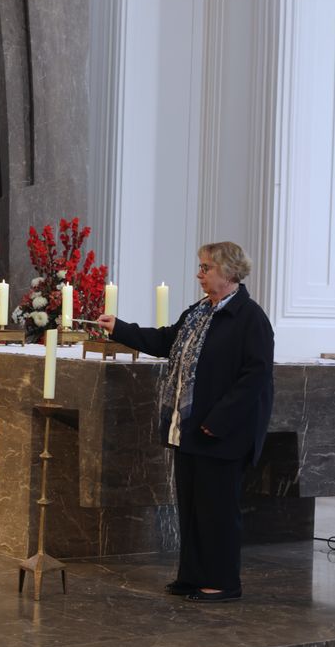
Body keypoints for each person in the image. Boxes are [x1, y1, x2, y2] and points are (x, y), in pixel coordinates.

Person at [97, 242, 274, 602]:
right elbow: (166, 340)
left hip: (222, 434)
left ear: (228, 272)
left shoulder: (250, 317)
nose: (199, 274)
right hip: (191, 429)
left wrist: (219, 420)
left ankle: (223, 582)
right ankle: (192, 577)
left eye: (206, 267)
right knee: (192, 508)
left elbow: (256, 377)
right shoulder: (199, 312)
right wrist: (119, 328)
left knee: (217, 512)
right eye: (201, 267)